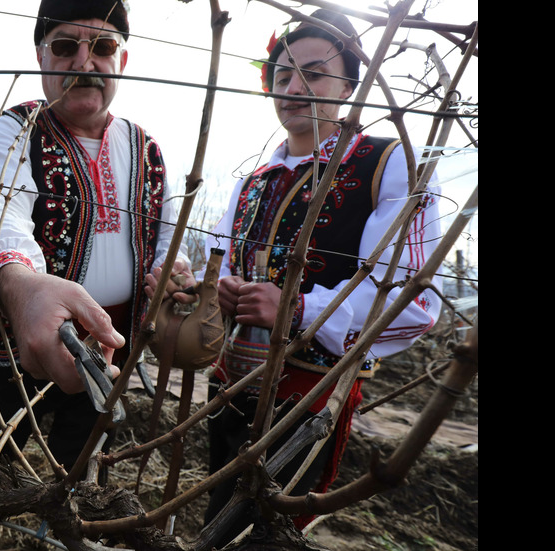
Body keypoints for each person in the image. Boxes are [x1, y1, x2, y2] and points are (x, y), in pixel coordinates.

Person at [201, 9, 443, 544]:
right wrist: (203, 288)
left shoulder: (389, 164)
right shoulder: (256, 179)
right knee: (215, 515)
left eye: (314, 73)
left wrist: (299, 309)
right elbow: (213, 261)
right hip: (228, 387)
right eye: (282, 76)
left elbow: (413, 303)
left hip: (306, 401)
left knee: (259, 533)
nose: (294, 87)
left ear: (351, 84)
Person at [0, 0, 194, 480]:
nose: (84, 62)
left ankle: (70, 526)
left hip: (112, 346)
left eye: (103, 47)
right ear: (41, 57)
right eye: (66, 46)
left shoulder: (146, 147)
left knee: (86, 459)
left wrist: (173, 276)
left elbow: (169, 239)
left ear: (122, 61)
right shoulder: (19, 127)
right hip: (19, 338)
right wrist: (24, 289)